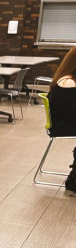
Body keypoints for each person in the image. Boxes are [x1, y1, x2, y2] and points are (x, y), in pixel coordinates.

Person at [49, 46, 76, 192]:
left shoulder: (68, 79)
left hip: (67, 121)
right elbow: (71, 113)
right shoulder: (68, 83)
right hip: (63, 125)